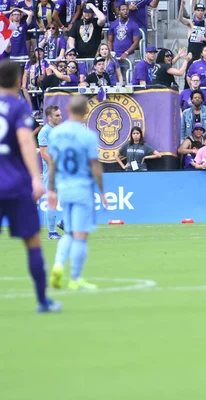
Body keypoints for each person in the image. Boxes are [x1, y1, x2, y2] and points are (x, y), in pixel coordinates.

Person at [0, 60, 62, 313]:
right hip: (15, 184)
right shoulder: (18, 108)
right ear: (18, 82)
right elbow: (26, 143)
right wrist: (37, 178)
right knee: (32, 242)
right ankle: (42, 301)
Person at [47, 95, 108, 291]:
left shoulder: (56, 134)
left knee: (70, 232)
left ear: (67, 110)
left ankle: (57, 265)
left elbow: (52, 165)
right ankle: (76, 278)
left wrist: (51, 190)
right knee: (80, 235)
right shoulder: (87, 136)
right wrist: (103, 191)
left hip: (64, 189)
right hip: (82, 188)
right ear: (85, 112)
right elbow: (95, 166)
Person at [38, 105, 63, 240]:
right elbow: (44, 154)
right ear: (49, 117)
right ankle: (52, 232)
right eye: (57, 115)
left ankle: (64, 223)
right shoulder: (44, 132)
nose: (60, 117)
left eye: (60, 114)